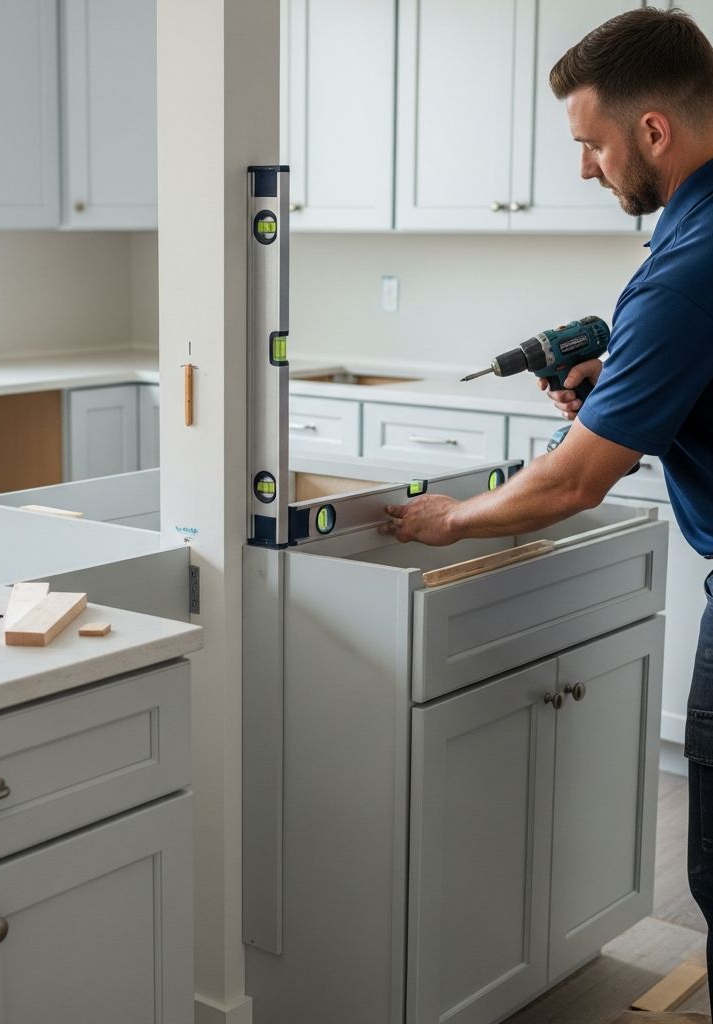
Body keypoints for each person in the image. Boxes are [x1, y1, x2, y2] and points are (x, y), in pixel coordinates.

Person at [383, 5, 713, 994]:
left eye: (592, 144)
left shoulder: (684, 271)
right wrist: (626, 384)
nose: (585, 169)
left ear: (651, 130)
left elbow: (573, 480)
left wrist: (451, 521)